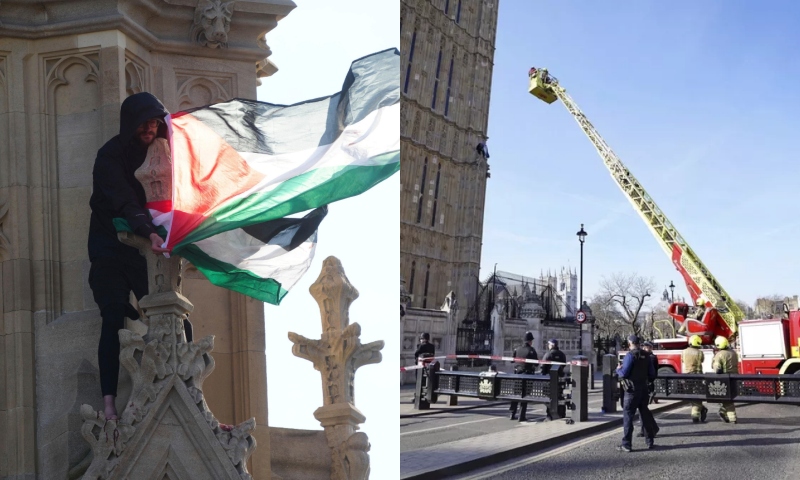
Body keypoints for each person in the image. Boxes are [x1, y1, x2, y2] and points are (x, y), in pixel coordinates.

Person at [88, 92, 193, 421]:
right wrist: (149, 231)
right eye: (143, 123)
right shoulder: (110, 156)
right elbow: (124, 201)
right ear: (129, 124)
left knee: (175, 314)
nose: (149, 129)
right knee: (112, 316)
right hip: (110, 246)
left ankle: (190, 392)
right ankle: (109, 405)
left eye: (154, 123)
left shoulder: (162, 150)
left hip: (145, 247)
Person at [616, 335, 658, 452]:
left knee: (628, 416)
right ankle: (650, 441)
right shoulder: (647, 356)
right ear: (639, 343)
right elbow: (652, 374)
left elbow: (624, 373)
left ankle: (627, 444)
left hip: (631, 391)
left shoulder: (630, 355)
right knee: (645, 415)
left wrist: (618, 369)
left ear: (630, 343)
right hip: (643, 389)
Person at [509, 331, 538, 422]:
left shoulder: (517, 349)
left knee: (516, 394)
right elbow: (536, 363)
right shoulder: (531, 350)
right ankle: (521, 416)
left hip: (517, 374)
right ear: (530, 341)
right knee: (524, 395)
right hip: (527, 375)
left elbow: (512, 360)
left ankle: (512, 413)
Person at [712, 336, 739, 424]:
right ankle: (723, 411)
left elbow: (717, 369)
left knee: (726, 399)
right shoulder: (733, 352)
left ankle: (732, 417)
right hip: (735, 378)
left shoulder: (719, 354)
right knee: (730, 397)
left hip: (725, 379)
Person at [682, 334, 707, 423]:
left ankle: (700, 410)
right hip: (697, 376)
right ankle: (697, 413)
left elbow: (682, 360)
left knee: (690, 394)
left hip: (687, 376)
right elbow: (702, 360)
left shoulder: (684, 351)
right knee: (698, 394)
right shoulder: (700, 353)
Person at [541, 339, 567, 419]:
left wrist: (544, 373)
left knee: (549, 397)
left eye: (549, 345)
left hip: (550, 379)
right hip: (559, 379)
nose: (548, 346)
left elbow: (543, 366)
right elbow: (564, 364)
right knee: (560, 395)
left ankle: (549, 414)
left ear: (551, 345)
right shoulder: (562, 354)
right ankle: (561, 413)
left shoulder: (548, 354)